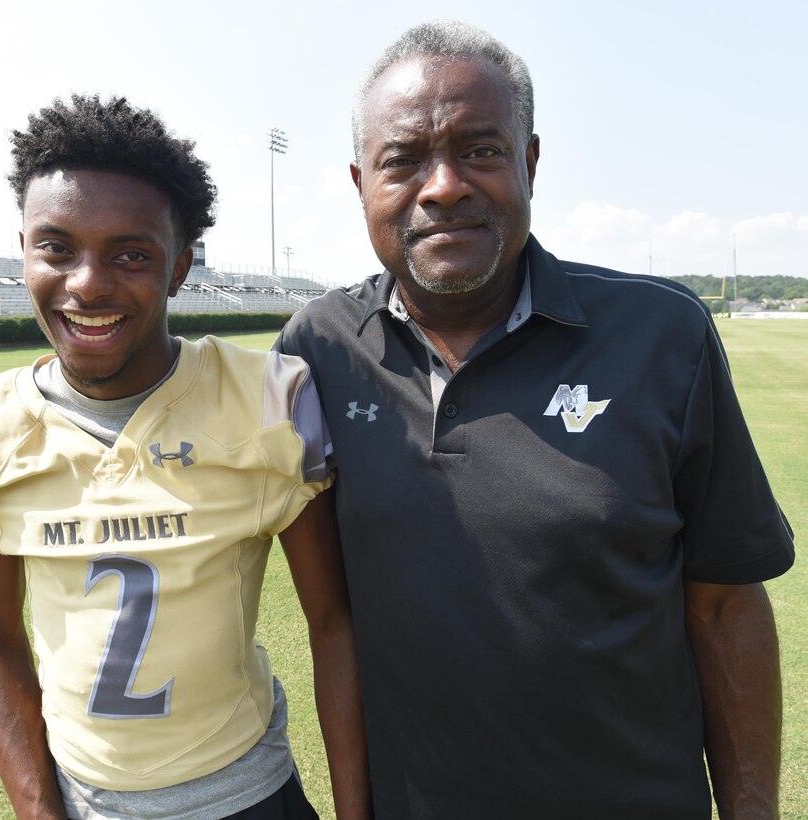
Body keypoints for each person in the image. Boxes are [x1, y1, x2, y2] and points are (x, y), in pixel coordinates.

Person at [275, 20, 795, 820]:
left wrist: (752, 811)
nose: (442, 185)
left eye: (479, 150)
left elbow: (725, 603)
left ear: (530, 161)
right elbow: (332, 622)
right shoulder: (315, 348)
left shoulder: (662, 333)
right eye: (403, 160)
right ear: (358, 183)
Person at [0, 95, 370, 820]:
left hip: (249, 795)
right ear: (25, 251)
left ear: (181, 267)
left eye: (131, 254)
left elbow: (334, 623)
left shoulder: (265, 402)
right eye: (56, 247)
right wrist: (39, 810)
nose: (88, 283)